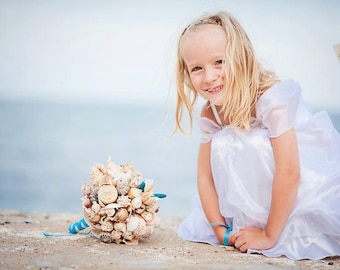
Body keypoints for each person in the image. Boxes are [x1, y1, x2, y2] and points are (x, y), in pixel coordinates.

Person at [174, 11, 340, 260]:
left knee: (252, 142)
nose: (209, 77)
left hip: (298, 189)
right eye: (197, 68)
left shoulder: (269, 98)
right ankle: (247, 221)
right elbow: (205, 176)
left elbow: (289, 171)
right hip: (261, 199)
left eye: (219, 62)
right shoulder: (210, 114)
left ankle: (271, 225)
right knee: (224, 142)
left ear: (241, 56)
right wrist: (220, 231)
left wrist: (269, 236)